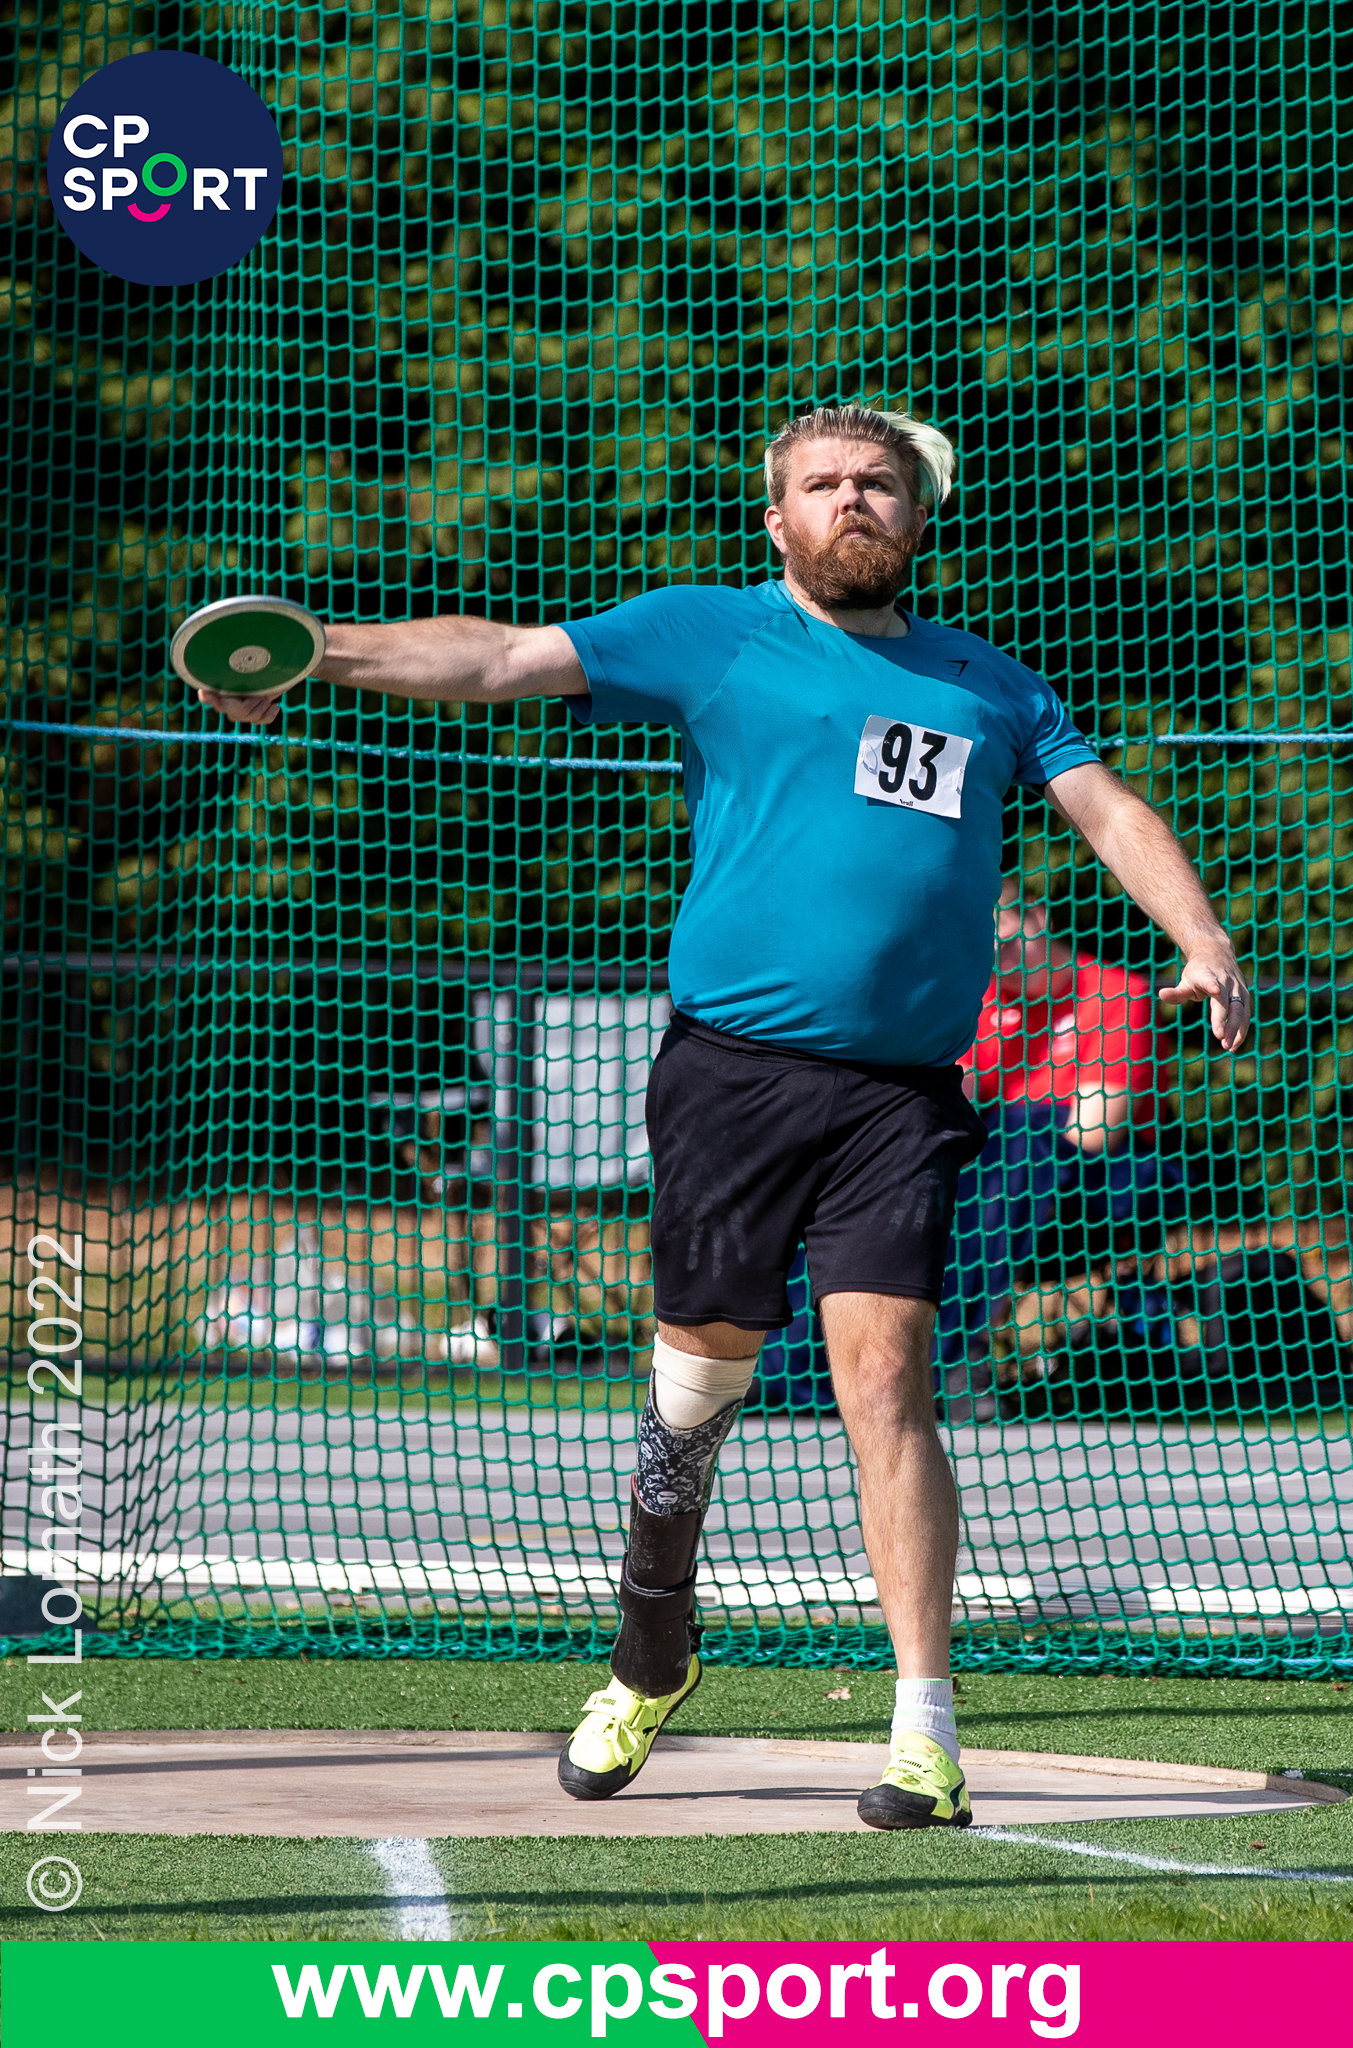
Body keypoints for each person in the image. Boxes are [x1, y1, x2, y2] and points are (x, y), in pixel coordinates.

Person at [194, 403, 1251, 1830]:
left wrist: (1201, 935)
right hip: (730, 1080)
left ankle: (924, 1730)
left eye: (877, 482)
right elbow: (498, 658)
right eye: (821, 483)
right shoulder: (712, 630)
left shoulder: (989, 683)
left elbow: (1106, 808)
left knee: (888, 1381)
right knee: (693, 1403)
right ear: (777, 519)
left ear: (918, 515)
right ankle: (651, 1645)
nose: (852, 499)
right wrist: (311, 651)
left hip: (905, 1096)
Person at [936, 880, 1183, 1420]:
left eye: (1002, 943)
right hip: (999, 1174)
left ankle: (951, 1361)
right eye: (979, 950)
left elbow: (1093, 1133)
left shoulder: (1117, 992)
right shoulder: (981, 1002)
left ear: (1036, 919)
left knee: (1025, 1144)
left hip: (1109, 1184)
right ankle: (804, 1369)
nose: (995, 960)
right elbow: (950, 1112)